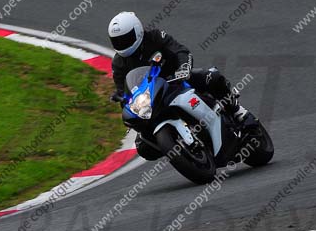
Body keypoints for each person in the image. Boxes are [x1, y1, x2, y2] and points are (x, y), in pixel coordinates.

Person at [107, 11, 258, 159]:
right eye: (118, 41)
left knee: (211, 77)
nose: (122, 44)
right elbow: (123, 87)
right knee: (143, 145)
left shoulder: (154, 37)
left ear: (138, 31)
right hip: (152, 97)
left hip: (177, 79)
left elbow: (179, 50)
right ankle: (180, 146)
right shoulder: (118, 62)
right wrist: (123, 98)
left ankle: (238, 111)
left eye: (126, 38)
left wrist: (183, 67)